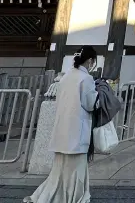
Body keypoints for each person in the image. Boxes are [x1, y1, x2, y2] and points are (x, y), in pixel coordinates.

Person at [24, 46, 99, 203]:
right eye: (93, 61)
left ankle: (50, 195)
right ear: (90, 61)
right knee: (76, 169)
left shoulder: (65, 77)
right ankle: (75, 196)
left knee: (59, 170)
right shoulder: (86, 79)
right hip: (77, 128)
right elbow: (91, 103)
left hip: (62, 128)